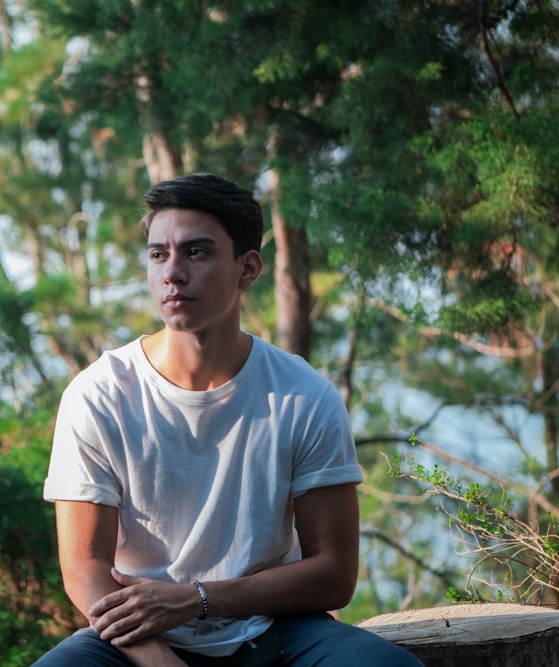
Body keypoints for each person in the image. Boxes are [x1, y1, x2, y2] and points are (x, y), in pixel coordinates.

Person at [32, 173, 423, 667]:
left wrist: (198, 599)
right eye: (158, 254)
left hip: (276, 627)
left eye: (196, 252)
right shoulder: (100, 394)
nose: (172, 272)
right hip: (139, 638)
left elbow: (334, 574)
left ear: (248, 268)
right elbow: (85, 568)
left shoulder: (302, 396)